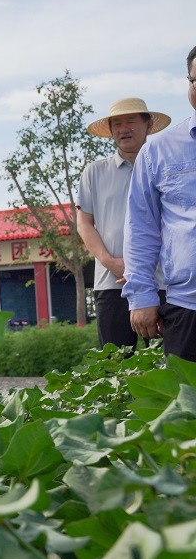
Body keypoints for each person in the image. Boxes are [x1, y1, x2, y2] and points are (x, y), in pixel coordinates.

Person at [76, 98, 169, 348]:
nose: (123, 128)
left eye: (130, 121)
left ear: (148, 125)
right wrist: (111, 262)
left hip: (162, 280)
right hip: (111, 282)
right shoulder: (94, 172)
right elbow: (84, 224)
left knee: (169, 365)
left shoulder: (165, 167)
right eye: (117, 123)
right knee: (113, 364)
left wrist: (142, 266)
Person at [124, 46, 196, 362]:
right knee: (185, 407)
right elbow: (141, 228)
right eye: (195, 80)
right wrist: (141, 295)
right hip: (188, 307)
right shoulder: (160, 151)